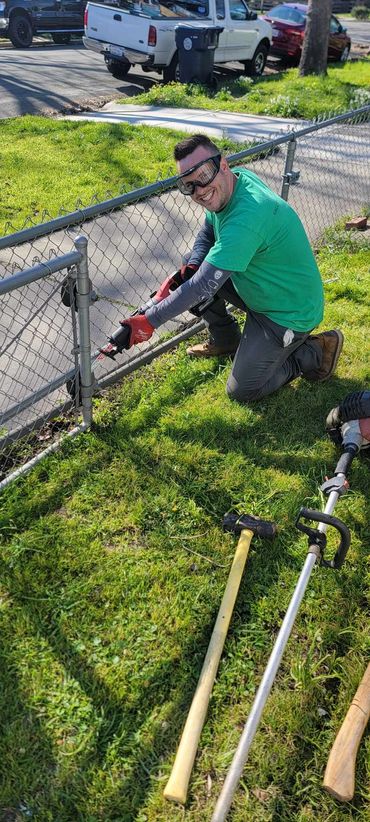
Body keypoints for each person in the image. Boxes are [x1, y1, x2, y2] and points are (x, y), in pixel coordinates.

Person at [116, 133, 344, 403]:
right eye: (188, 186)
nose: (199, 191)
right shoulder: (234, 183)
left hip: (287, 313)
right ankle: (226, 339)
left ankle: (314, 352)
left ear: (222, 164)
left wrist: (150, 321)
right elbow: (208, 230)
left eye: (202, 177)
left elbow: (203, 286)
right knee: (194, 262)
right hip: (264, 290)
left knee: (242, 391)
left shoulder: (248, 217)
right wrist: (192, 266)